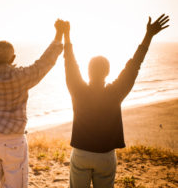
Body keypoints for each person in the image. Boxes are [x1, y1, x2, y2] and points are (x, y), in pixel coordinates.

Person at [63, 14, 169, 188]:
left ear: (88, 71)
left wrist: (66, 35)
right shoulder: (116, 92)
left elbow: (70, 63)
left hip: (81, 153)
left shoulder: (78, 89)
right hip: (105, 156)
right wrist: (148, 35)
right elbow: (135, 64)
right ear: (107, 72)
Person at [0, 18, 65, 188]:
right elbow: (44, 63)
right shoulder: (21, 77)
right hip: (14, 142)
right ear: (14, 58)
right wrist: (59, 35)